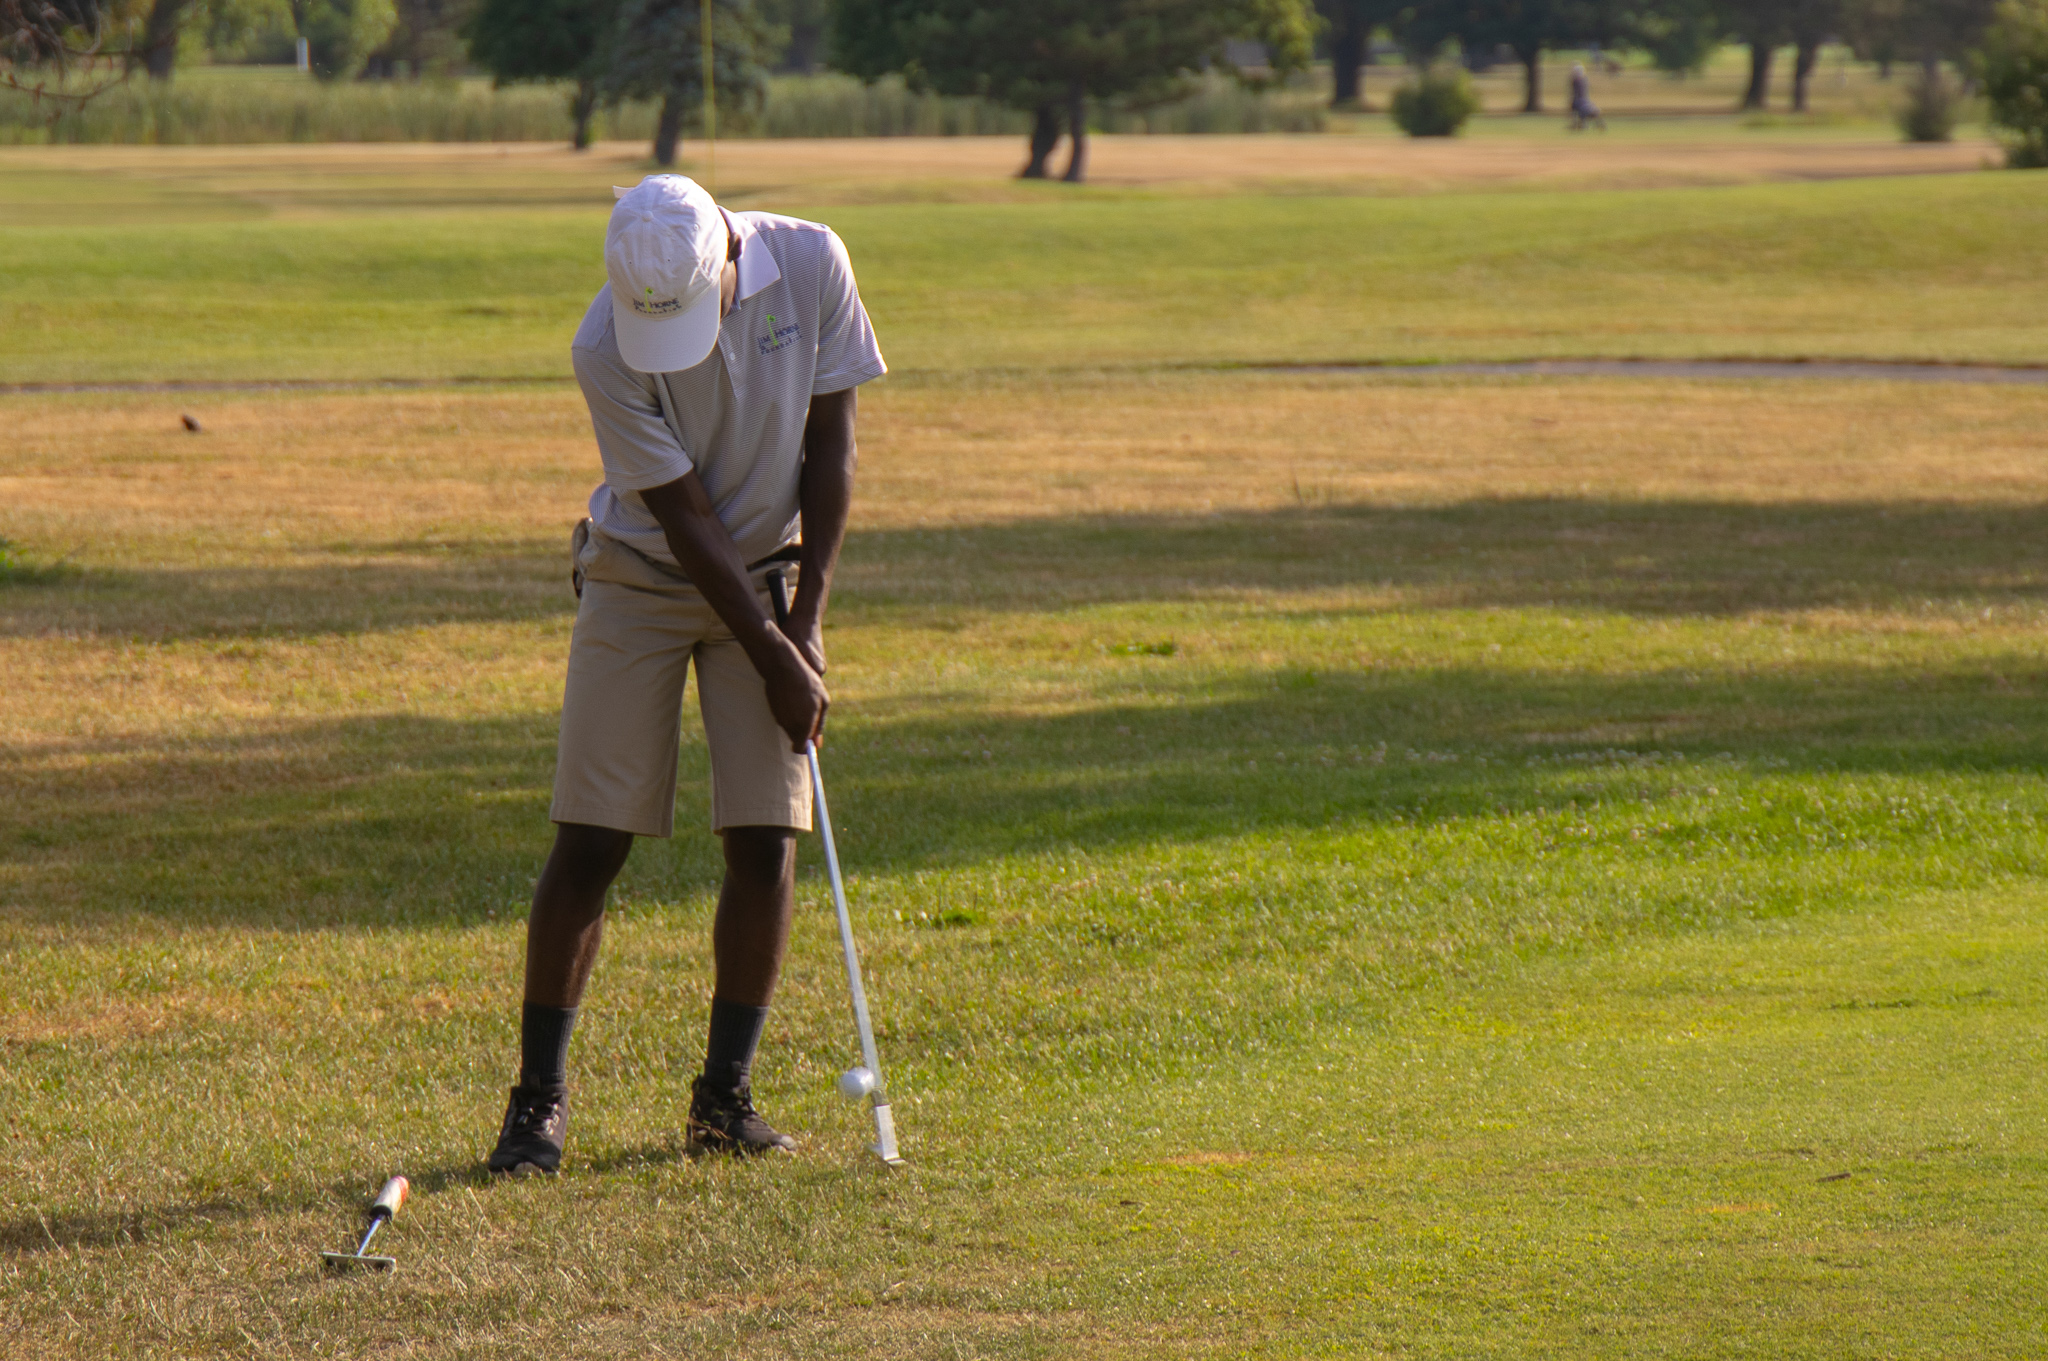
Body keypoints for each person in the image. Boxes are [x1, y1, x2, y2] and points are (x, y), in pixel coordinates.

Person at [486, 175, 886, 1175]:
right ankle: (535, 1106)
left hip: (774, 574)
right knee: (592, 835)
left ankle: (724, 1099)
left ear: (729, 261)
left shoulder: (810, 259)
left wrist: (804, 620)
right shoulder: (599, 344)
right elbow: (683, 518)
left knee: (765, 834)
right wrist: (774, 655)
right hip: (641, 576)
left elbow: (830, 448)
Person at [1569, 63, 1607, 132]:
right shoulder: (1584, 79)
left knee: (1580, 110)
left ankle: (1582, 124)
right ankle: (1586, 124)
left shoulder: (1576, 81)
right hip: (1585, 100)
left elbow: (1575, 93)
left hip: (1580, 101)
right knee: (1589, 110)